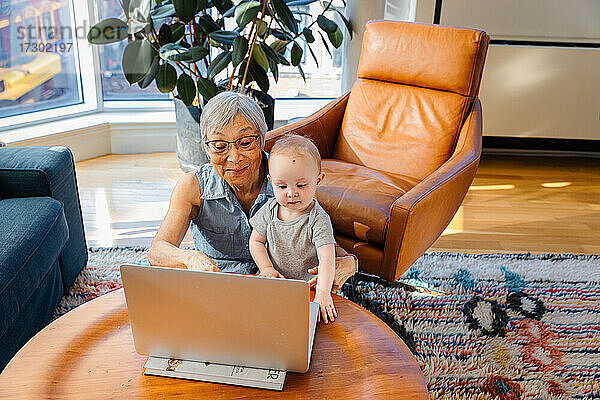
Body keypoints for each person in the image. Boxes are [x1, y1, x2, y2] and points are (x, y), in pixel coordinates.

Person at [148, 91, 356, 286]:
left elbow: (324, 238)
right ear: (206, 148)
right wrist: (189, 258)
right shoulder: (192, 186)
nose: (234, 158)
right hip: (218, 287)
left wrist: (349, 262)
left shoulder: (288, 180)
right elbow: (157, 251)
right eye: (220, 146)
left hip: (278, 286)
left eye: (246, 142)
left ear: (262, 140)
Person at [248, 134, 337, 323]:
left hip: (308, 287)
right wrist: (266, 267)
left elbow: (327, 258)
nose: (291, 193)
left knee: (305, 324)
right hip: (275, 281)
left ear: (318, 180)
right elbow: (256, 241)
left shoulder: (318, 219)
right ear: (271, 182)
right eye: (281, 186)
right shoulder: (269, 209)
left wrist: (322, 292)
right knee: (254, 316)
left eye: (301, 185)